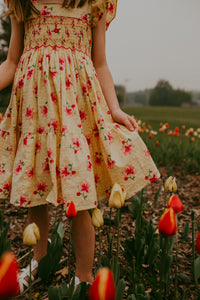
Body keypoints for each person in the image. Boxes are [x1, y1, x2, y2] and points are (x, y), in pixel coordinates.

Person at [0, 0, 160, 294]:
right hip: (35, 108)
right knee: (36, 189)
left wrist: (115, 110)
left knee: (80, 194)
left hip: (77, 108)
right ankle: (39, 263)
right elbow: (11, 61)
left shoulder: (93, 3)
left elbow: (100, 63)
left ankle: (83, 278)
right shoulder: (23, 2)